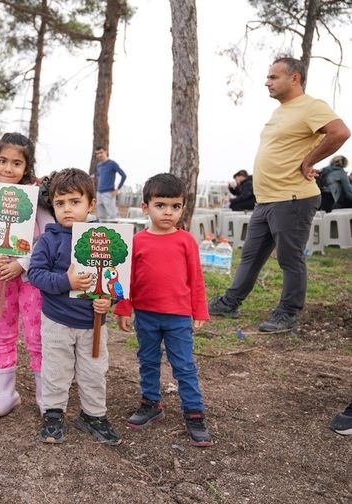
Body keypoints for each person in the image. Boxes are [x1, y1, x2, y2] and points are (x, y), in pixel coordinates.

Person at [209, 57, 350, 332]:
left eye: (273, 77)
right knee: (250, 255)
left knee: (289, 257)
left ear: (294, 78)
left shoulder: (311, 106)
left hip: (294, 197)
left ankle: (288, 313)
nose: (267, 82)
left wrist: (309, 161)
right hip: (267, 199)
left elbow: (340, 132)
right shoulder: (281, 111)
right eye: (268, 76)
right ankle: (230, 302)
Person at [114, 173, 213, 447]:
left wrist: (200, 311)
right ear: (145, 207)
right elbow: (127, 279)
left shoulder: (186, 241)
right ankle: (151, 403)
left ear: (182, 208)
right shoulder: (137, 242)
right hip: (145, 315)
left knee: (183, 365)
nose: (168, 212)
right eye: (160, 205)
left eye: (175, 206)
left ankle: (194, 412)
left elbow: (196, 279)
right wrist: (124, 308)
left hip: (178, 317)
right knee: (147, 360)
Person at [28, 168, 120, 445]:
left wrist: (109, 300)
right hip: (57, 320)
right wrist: (66, 281)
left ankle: (93, 415)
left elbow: (114, 277)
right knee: (56, 370)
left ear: (91, 204)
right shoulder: (49, 239)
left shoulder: (102, 239)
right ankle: (53, 414)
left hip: (92, 323)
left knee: (94, 371)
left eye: (75, 202)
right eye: (60, 203)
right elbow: (36, 274)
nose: (67, 209)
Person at [0, 132, 46, 418]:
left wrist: (24, 263)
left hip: (30, 278)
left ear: (26, 168)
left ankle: (46, 395)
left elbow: (46, 235)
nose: (8, 168)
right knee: (3, 332)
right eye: (2, 161)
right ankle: (6, 394)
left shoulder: (36, 197)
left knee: (35, 334)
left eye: (16, 163)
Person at [93, 146, 127, 220]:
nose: (99, 155)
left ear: (106, 152)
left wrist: (117, 189)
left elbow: (123, 176)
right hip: (99, 193)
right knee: (101, 217)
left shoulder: (112, 164)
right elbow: (98, 177)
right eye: (97, 153)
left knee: (113, 216)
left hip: (108, 193)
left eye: (101, 152)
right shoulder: (98, 165)